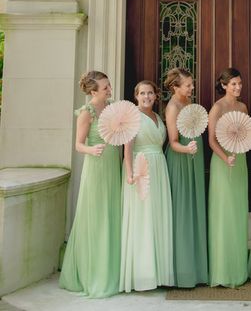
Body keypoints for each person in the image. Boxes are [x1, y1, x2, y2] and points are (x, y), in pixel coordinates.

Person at [59, 71, 121, 298]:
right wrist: (92, 149)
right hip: (97, 167)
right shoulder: (87, 113)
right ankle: (93, 273)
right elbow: (78, 145)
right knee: (96, 216)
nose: (110, 89)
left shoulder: (114, 107)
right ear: (93, 92)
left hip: (115, 166)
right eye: (105, 88)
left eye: (109, 85)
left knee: (112, 214)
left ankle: (112, 268)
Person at [120, 80, 174, 292]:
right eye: (142, 93)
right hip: (141, 167)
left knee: (157, 216)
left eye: (150, 93)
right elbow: (127, 149)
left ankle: (159, 272)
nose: (147, 97)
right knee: (143, 218)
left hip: (159, 166)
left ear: (156, 95)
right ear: (136, 96)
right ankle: (142, 274)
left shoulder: (158, 117)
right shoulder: (132, 117)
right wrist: (130, 174)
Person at [164, 68, 208, 287]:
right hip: (181, 161)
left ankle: (197, 268)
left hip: (195, 161)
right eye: (188, 85)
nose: (192, 87)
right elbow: (172, 142)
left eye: (192, 84)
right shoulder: (172, 108)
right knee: (182, 211)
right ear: (176, 87)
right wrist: (186, 149)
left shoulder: (191, 105)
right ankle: (181, 271)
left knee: (194, 209)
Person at [208, 68, 249, 287]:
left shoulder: (243, 107)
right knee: (223, 211)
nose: (238, 87)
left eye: (240, 83)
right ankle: (222, 270)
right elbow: (212, 141)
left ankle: (238, 267)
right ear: (224, 85)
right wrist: (225, 159)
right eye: (233, 84)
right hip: (222, 162)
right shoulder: (217, 108)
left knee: (237, 210)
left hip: (239, 160)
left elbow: (246, 133)